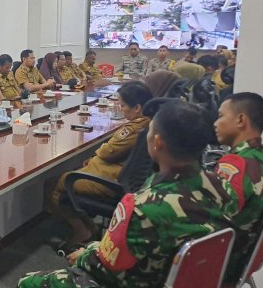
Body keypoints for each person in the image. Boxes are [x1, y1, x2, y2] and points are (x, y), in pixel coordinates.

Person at [21, 100, 237, 288]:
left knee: (28, 282)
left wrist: (84, 254)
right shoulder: (221, 186)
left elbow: (105, 266)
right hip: (178, 275)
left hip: (130, 281)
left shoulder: (142, 207)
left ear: (158, 142)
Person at [48, 82, 153, 245]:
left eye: (123, 105)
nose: (120, 108)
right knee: (70, 174)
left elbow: (107, 151)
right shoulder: (149, 122)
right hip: (124, 178)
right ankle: (90, 227)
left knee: (52, 186)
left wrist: (98, 153)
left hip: (112, 180)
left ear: (137, 108)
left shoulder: (135, 127)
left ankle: (81, 231)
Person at [213, 93, 263, 283]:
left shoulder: (236, 165)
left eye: (220, 116)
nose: (215, 123)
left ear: (241, 120)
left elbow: (214, 221)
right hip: (242, 257)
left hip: (222, 263)